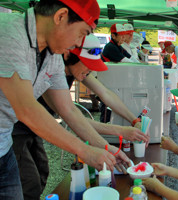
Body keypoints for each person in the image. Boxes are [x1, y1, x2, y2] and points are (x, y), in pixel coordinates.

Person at [0, 1, 128, 199]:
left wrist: (105, 148)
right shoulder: (9, 33)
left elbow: (68, 110)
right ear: (60, 16)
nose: (78, 43)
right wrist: (85, 151)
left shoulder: (52, 53)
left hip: (3, 146)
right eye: (81, 33)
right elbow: (26, 109)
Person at [12, 34, 149, 200]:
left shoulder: (76, 69)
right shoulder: (52, 70)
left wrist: (133, 120)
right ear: (68, 54)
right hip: (15, 126)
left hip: (34, 128)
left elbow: (105, 93)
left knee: (41, 173)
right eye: (88, 64)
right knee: (27, 182)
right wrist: (114, 136)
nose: (90, 70)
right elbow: (71, 115)